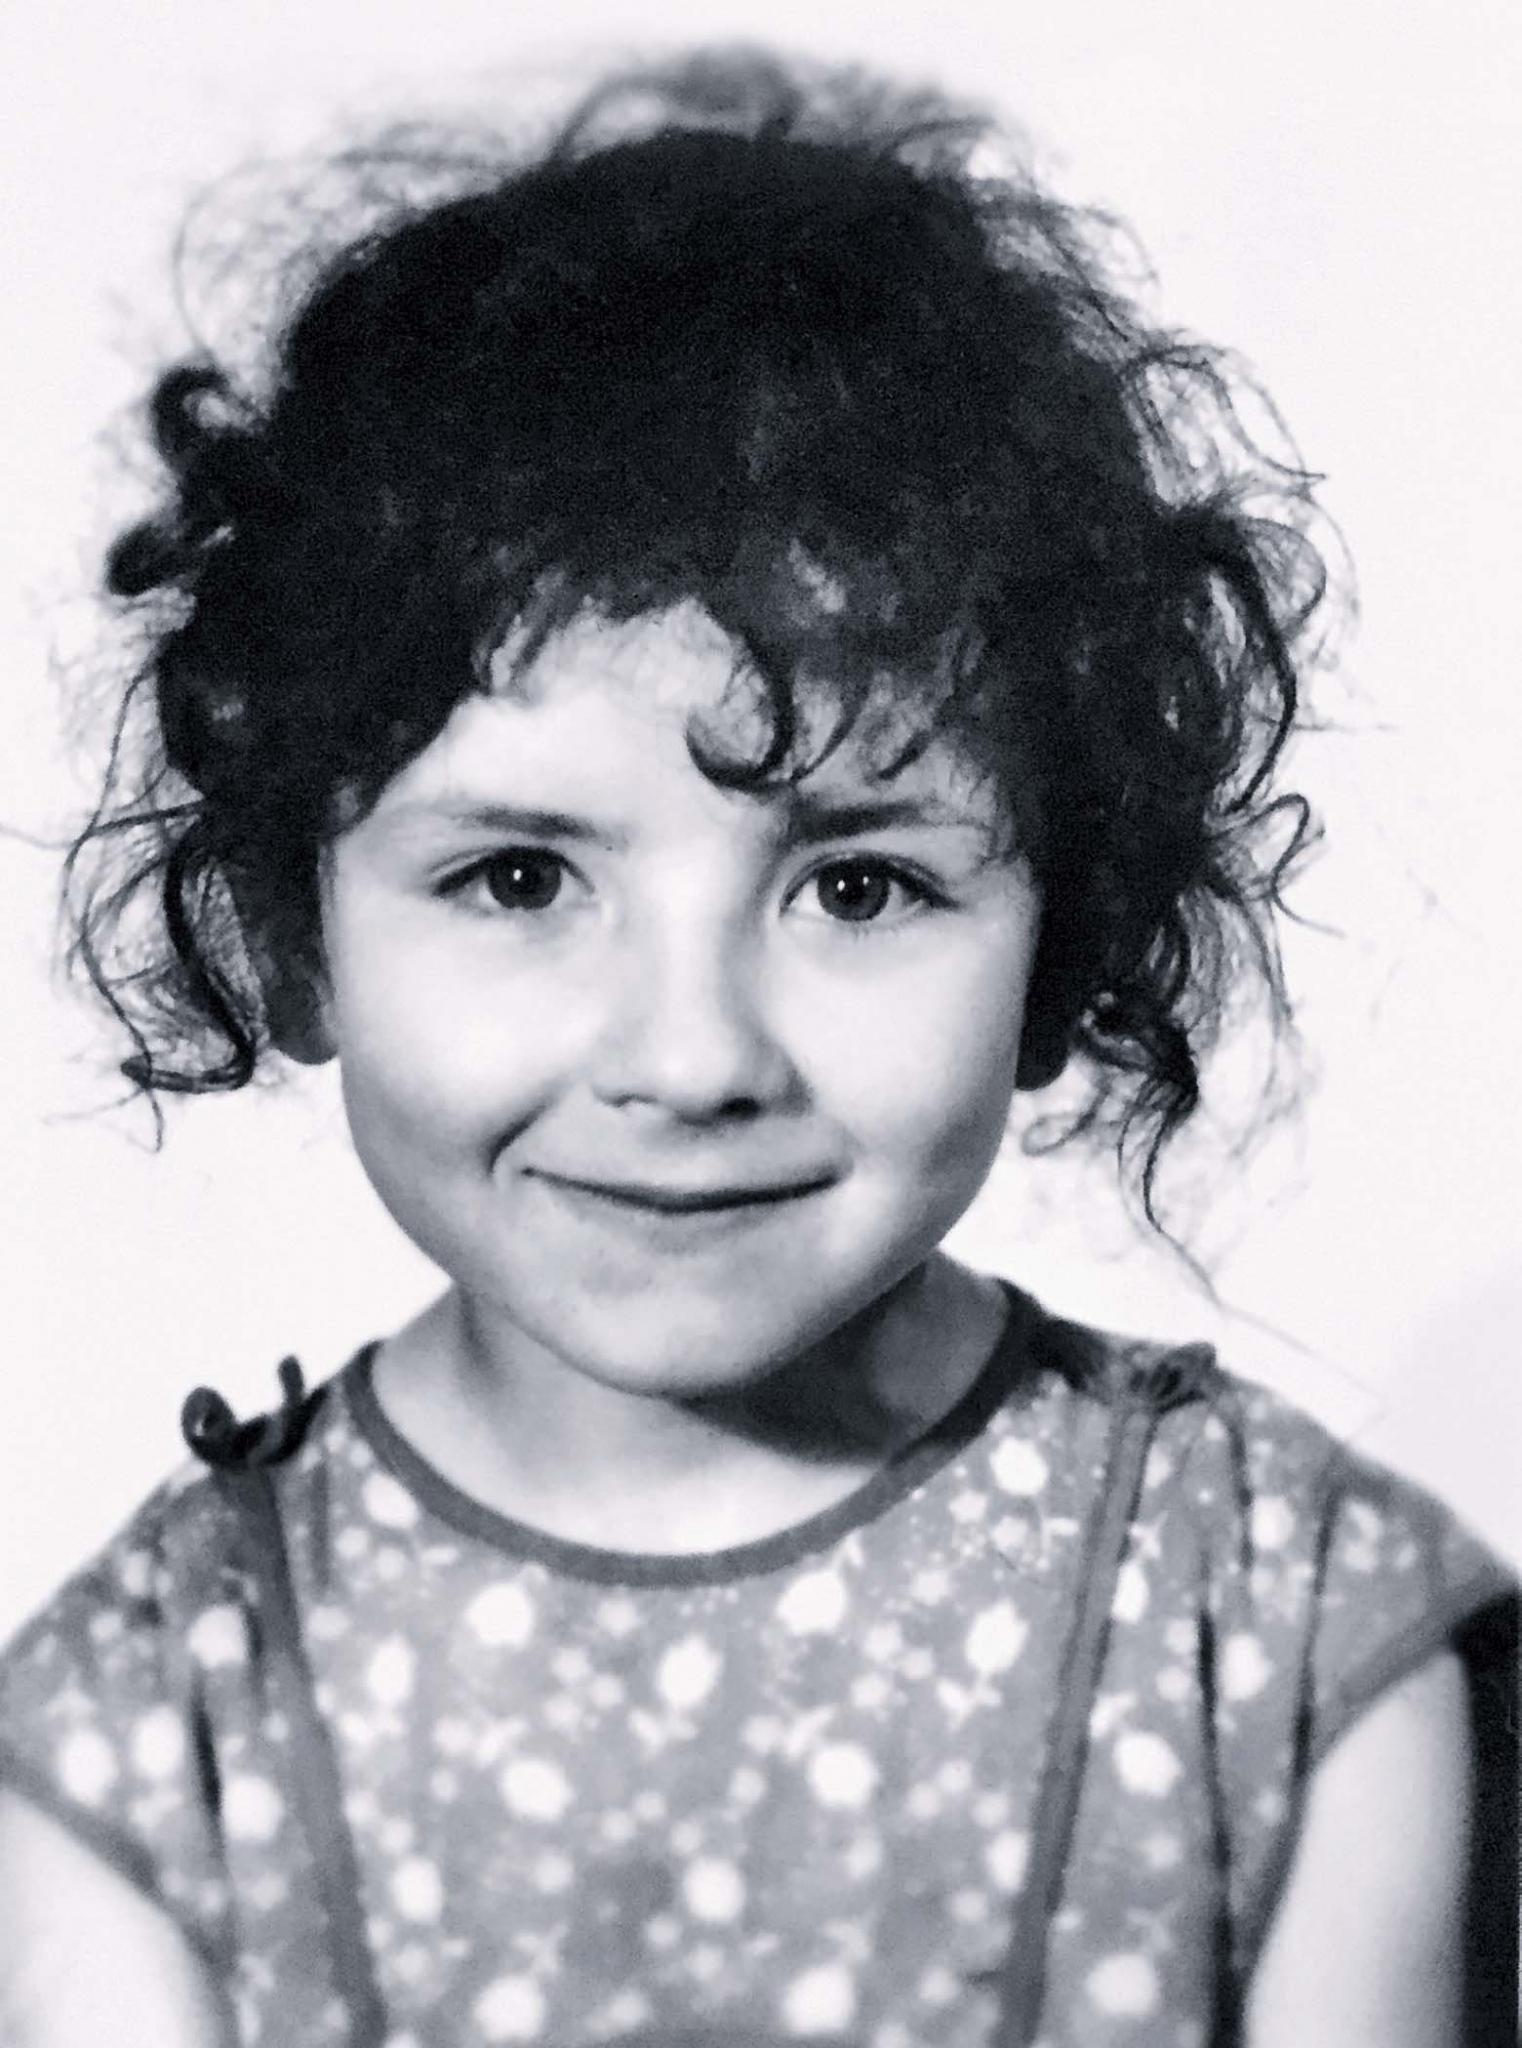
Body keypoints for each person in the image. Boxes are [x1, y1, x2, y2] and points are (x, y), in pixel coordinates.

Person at [0, 45, 1513, 2048]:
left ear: (1064, 944)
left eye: (860, 887)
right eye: (520, 878)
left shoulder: (1282, 1636)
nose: (692, 1055)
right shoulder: (148, 1745)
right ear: (294, 936)